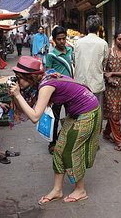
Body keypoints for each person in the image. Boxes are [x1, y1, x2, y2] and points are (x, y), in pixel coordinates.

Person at [9, 56, 101, 204]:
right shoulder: (46, 77)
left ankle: (80, 190)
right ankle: (57, 190)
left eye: (19, 78)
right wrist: (17, 96)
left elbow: (34, 116)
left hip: (87, 112)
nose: (18, 82)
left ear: (30, 77)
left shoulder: (46, 85)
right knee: (58, 149)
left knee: (70, 152)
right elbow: (28, 109)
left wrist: (18, 94)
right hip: (76, 112)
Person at [103, 30, 121, 151]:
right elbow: (103, 69)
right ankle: (119, 140)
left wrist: (113, 73)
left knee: (114, 113)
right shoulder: (108, 53)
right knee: (114, 114)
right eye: (119, 39)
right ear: (115, 39)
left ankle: (106, 132)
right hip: (110, 87)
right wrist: (108, 76)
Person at [45, 26, 73, 154]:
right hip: (57, 91)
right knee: (55, 118)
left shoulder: (70, 50)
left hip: (70, 90)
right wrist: (54, 73)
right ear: (54, 40)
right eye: (59, 39)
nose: (62, 41)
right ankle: (53, 142)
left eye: (64, 38)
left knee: (70, 116)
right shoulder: (51, 55)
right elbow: (47, 72)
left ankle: (67, 139)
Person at [74, 15, 108, 104]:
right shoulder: (103, 43)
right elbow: (105, 63)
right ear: (99, 27)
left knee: (82, 110)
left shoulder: (78, 43)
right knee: (97, 110)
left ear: (86, 27)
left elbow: (74, 61)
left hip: (81, 84)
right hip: (96, 83)